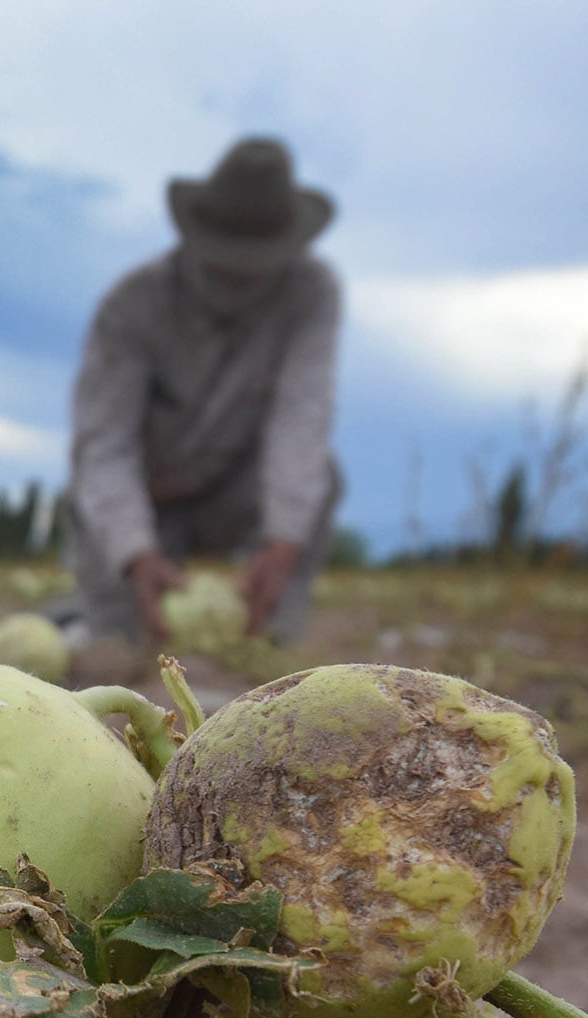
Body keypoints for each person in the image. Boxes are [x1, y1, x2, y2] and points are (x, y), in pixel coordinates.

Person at [63, 135, 343, 645]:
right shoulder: (132, 305)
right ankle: (95, 619)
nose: (237, 278)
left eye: (254, 264)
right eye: (223, 262)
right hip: (146, 494)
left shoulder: (311, 293)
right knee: (124, 642)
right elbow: (105, 447)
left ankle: (269, 632)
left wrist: (282, 547)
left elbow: (301, 421)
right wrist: (136, 553)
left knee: (321, 477)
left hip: (231, 491)